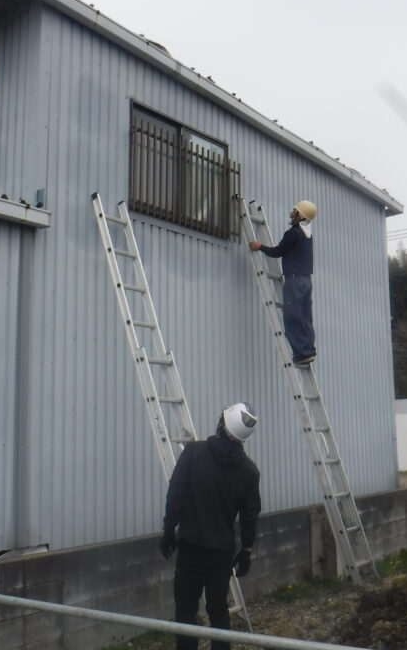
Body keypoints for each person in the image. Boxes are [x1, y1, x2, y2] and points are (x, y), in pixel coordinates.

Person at [159, 403, 261, 650]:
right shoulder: (249, 472)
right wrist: (246, 550)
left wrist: (169, 529)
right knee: (218, 610)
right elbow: (250, 516)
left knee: (186, 610)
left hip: (191, 548)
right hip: (222, 554)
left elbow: (176, 494)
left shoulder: (194, 453)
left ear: (221, 425)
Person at [248, 199, 317, 367]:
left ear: (301, 215)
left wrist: (259, 246)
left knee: (292, 316)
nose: (291, 213)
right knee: (305, 317)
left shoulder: (293, 233)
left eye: (295, 211)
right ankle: (308, 351)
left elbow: (277, 252)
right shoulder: (307, 234)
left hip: (294, 280)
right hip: (306, 280)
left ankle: (301, 354)